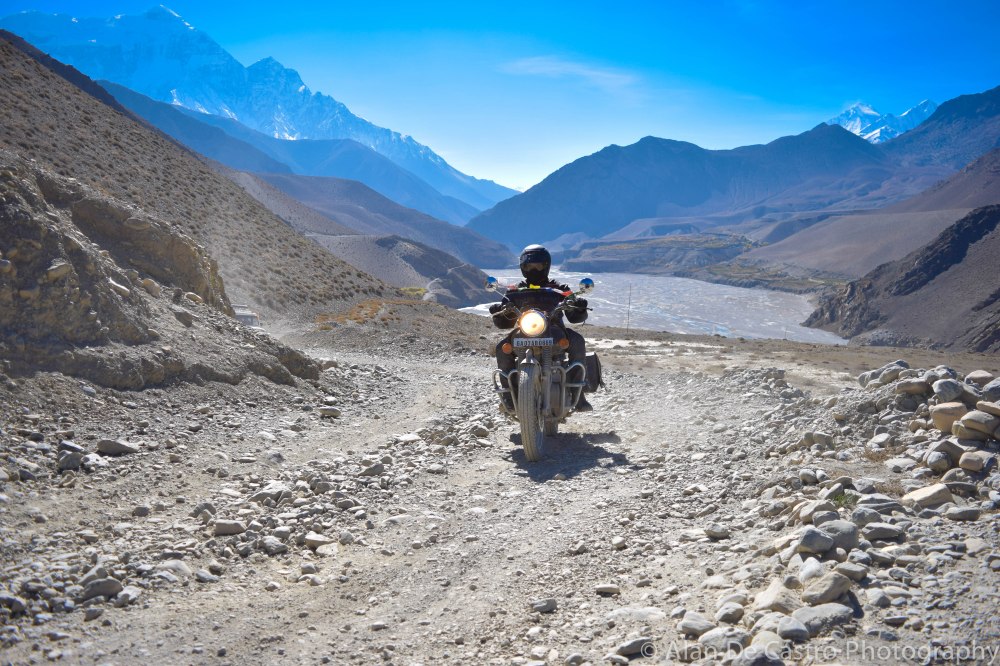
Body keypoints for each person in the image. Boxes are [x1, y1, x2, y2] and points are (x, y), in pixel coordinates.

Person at [489, 244, 592, 412]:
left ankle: (578, 394)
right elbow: (505, 322)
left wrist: (579, 307)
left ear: (546, 266)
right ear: (523, 268)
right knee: (502, 348)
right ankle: (508, 397)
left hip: (555, 331)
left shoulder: (561, 289)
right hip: (524, 331)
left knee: (577, 341)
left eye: (538, 266)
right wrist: (498, 312)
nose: (534, 270)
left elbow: (574, 317)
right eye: (530, 266)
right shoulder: (514, 291)